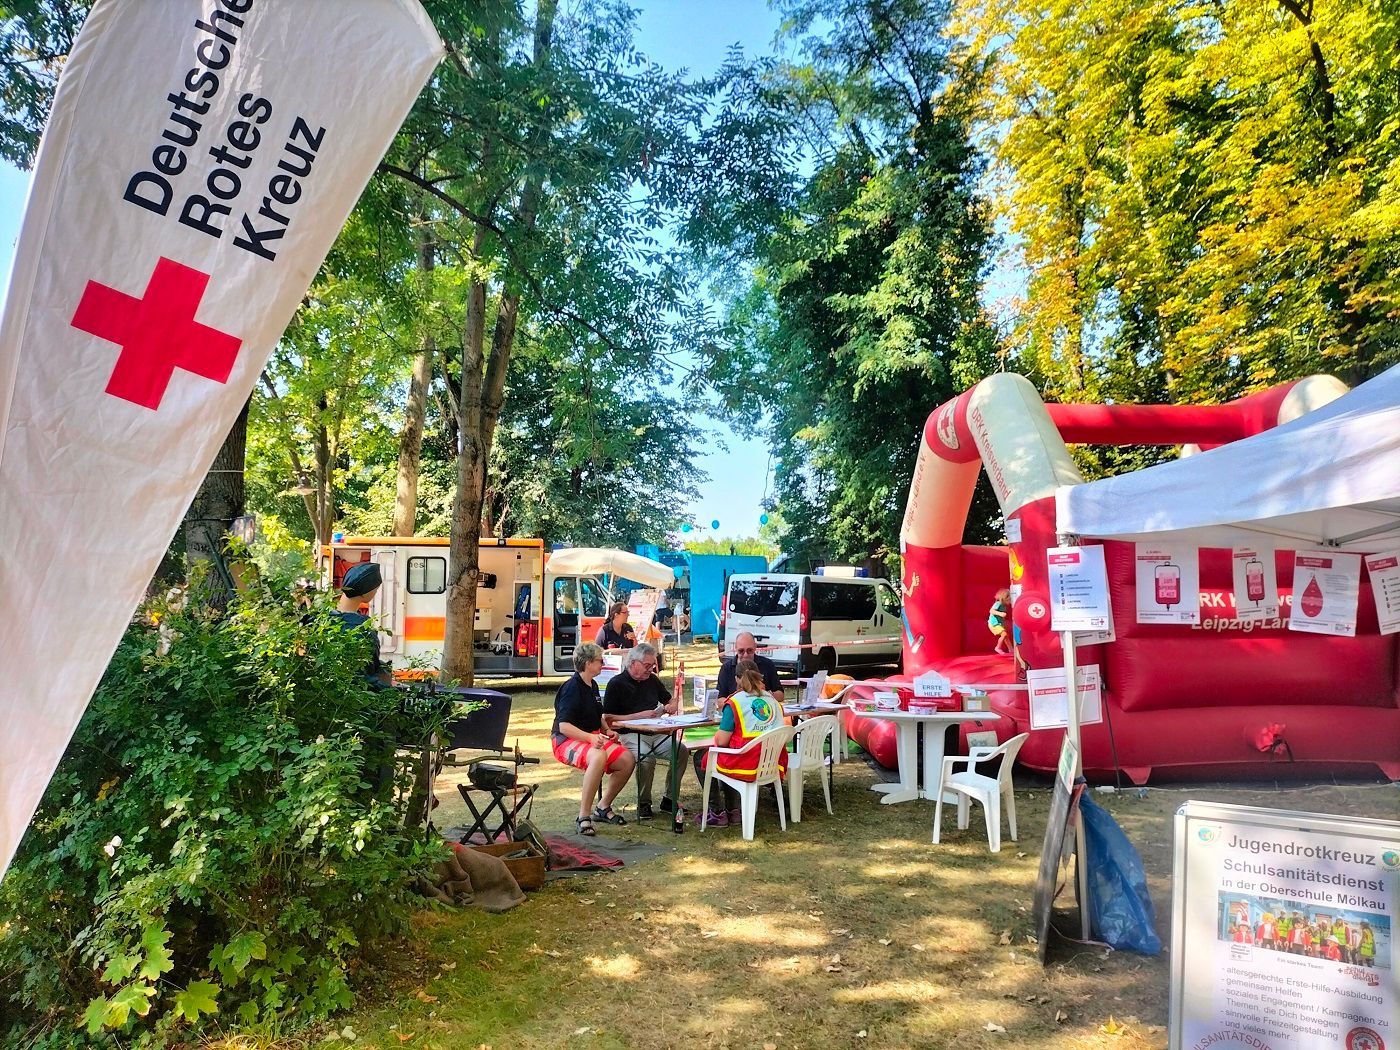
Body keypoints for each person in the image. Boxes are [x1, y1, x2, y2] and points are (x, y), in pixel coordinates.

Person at [551, 642, 636, 836]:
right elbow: (564, 727)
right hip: (564, 741)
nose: (603, 664)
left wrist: (607, 730)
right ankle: (583, 816)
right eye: (600, 661)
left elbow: (598, 715)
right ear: (588, 663)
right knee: (598, 756)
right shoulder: (571, 688)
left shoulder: (593, 685)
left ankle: (603, 807)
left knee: (627, 760)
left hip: (591, 738)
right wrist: (590, 737)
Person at [691, 660, 787, 828]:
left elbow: (721, 741)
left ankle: (717, 811)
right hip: (772, 764)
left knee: (702, 756)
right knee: (725, 753)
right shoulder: (773, 700)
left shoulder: (735, 702)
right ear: (760, 676)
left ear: (737, 679)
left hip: (746, 764)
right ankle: (734, 810)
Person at [601, 643, 679, 820]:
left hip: (655, 732)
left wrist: (671, 705)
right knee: (646, 757)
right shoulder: (616, 684)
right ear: (633, 663)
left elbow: (670, 699)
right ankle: (644, 803)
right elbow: (608, 719)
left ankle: (669, 798)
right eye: (647, 665)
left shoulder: (652, 680)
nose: (650, 669)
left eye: (653, 665)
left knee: (680, 750)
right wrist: (638, 716)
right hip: (629, 734)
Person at [328, 562, 392, 689]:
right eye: (375, 590)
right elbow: (367, 675)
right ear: (366, 591)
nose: (375, 593)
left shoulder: (322, 621)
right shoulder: (363, 631)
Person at [716, 631, 785, 701]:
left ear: (755, 647)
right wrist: (737, 699)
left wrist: (764, 694)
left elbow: (780, 695)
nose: (745, 655)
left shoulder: (767, 664)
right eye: (741, 651)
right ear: (735, 648)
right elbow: (720, 699)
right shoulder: (726, 668)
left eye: (750, 650)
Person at [988, 588, 1011, 655]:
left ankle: (1011, 649)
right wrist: (1000, 613)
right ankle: (998, 647)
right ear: (1004, 598)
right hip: (993, 623)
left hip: (999, 623)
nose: (1010, 601)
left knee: (1006, 636)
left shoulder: (1004, 606)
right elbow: (991, 611)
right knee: (1004, 634)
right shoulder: (998, 603)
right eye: (1009, 599)